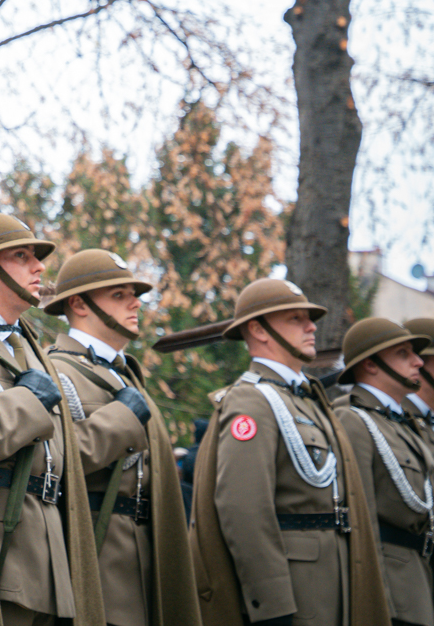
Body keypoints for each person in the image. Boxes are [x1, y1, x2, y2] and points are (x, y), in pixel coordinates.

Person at [189, 277, 389, 626]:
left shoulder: (305, 399)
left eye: (308, 318)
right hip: (295, 595)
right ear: (259, 330)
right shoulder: (251, 401)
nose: (312, 326)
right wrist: (271, 604)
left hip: (333, 587)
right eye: (295, 318)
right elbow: (243, 508)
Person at [0, 214, 105, 626]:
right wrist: (28, 402)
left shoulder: (32, 348)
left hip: (47, 555)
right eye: (21, 256)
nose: (39, 267)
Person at [41, 249, 199, 626]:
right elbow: (53, 460)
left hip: (142, 563)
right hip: (91, 563)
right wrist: (121, 418)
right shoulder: (53, 370)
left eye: (134, 294)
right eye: (118, 295)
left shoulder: (126, 376)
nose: (135, 303)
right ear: (78, 304)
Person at [334, 318, 434, 626]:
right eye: (403, 354)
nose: (418, 361)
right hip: (393, 592)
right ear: (371, 364)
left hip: (418, 580)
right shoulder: (353, 420)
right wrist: (376, 602)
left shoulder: (401, 422)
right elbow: (361, 521)